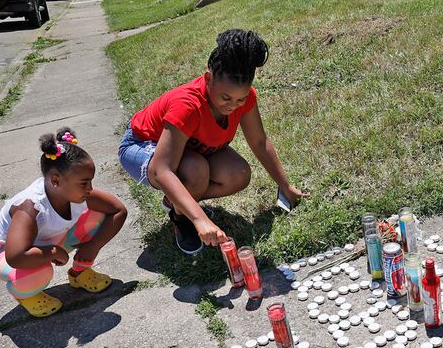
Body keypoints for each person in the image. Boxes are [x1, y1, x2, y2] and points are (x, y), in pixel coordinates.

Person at [118, 29, 308, 255]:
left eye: (241, 99)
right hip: (141, 144)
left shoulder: (244, 99)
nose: (232, 105)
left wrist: (285, 186)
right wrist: (200, 219)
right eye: (225, 98)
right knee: (196, 170)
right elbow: (161, 169)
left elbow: (258, 141)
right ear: (208, 79)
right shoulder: (187, 105)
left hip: (187, 149)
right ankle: (183, 218)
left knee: (238, 174)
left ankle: (176, 203)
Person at [0, 128, 127, 318]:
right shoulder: (30, 207)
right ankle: (24, 294)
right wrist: (54, 251)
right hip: (5, 252)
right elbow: (15, 256)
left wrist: (92, 246)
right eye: (84, 183)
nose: (90, 189)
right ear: (55, 180)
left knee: (99, 214)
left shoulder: (74, 193)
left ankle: (79, 272)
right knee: (40, 272)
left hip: (45, 241)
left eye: (90, 181)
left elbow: (118, 210)